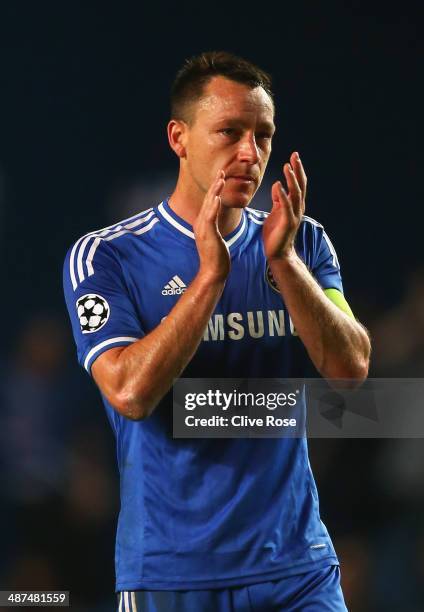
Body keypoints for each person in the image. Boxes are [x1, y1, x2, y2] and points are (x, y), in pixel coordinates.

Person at [63, 51, 370, 611]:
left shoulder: (302, 242)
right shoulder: (107, 256)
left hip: (296, 568)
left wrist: (284, 264)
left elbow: (352, 372)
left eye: (264, 135)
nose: (250, 153)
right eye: (229, 131)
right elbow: (130, 392)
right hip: (173, 575)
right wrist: (210, 277)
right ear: (179, 138)